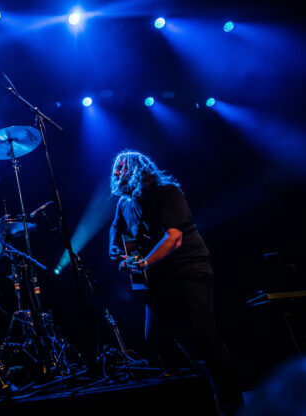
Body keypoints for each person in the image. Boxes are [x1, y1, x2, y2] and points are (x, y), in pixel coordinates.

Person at [107, 149, 244, 414]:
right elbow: (116, 229)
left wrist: (145, 262)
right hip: (159, 278)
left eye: (120, 166)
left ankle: (232, 403)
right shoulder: (124, 203)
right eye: (114, 167)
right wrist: (116, 252)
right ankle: (197, 385)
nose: (114, 172)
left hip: (189, 268)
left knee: (204, 335)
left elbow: (174, 238)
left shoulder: (168, 192)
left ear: (136, 168)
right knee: (156, 337)